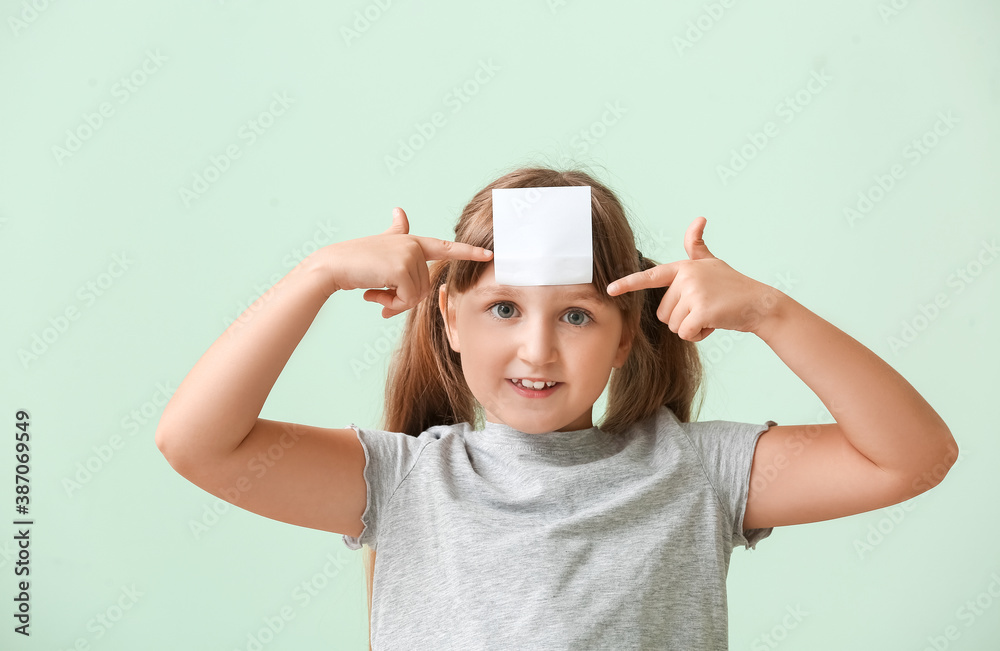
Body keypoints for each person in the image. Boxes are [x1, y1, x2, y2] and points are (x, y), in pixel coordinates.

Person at [154, 165, 959, 650]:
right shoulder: (403, 481)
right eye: (504, 309)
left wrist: (770, 312)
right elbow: (198, 444)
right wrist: (317, 275)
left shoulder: (695, 470)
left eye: (575, 315)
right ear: (450, 320)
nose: (537, 349)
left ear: (622, 339)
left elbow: (912, 455)